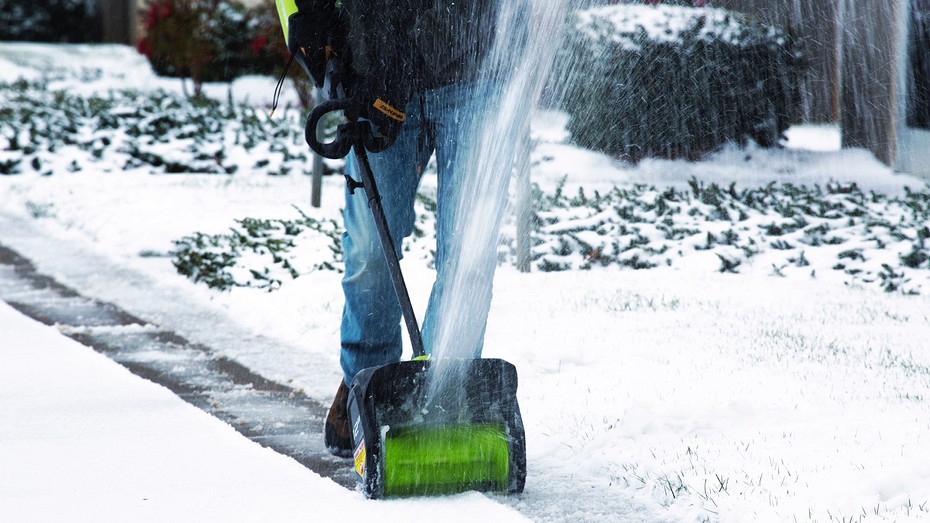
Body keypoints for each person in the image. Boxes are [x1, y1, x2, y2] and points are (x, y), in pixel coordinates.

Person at [280, 0, 509, 457]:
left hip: (476, 68)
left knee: (470, 250)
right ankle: (367, 381)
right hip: (372, 69)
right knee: (369, 249)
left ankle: (445, 392)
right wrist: (318, 39)